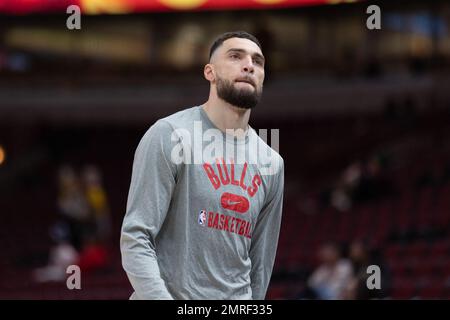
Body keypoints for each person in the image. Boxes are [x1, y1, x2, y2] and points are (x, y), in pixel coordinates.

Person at [120, 31, 284, 300]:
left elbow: (261, 263)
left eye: (258, 61)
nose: (249, 65)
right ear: (209, 72)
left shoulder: (272, 163)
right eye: (235, 56)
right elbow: (136, 238)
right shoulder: (170, 134)